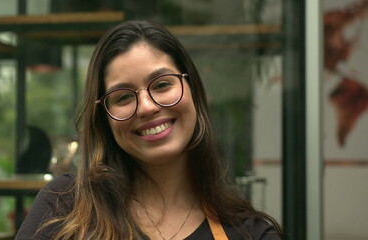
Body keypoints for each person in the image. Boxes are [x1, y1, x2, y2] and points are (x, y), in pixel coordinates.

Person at [15, 20, 282, 240]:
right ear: (104, 119)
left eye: (163, 84)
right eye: (122, 97)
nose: (146, 107)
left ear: (193, 90)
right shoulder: (64, 209)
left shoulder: (250, 234)